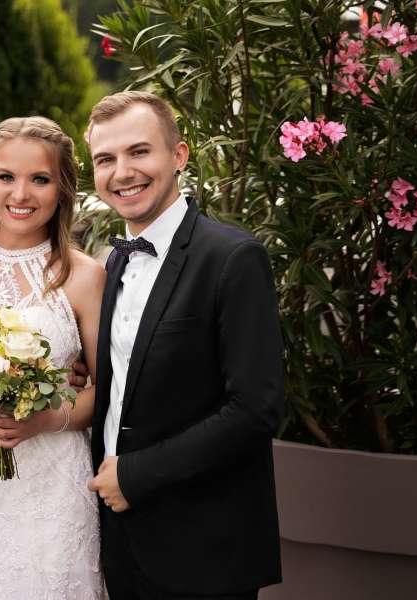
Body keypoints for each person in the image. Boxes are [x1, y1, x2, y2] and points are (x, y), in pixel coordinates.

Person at [85, 91, 284, 599]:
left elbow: (254, 409)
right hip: (122, 540)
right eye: (105, 159)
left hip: (203, 545)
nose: (122, 172)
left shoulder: (233, 258)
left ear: (179, 155)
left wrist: (136, 475)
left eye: (139, 151)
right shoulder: (115, 261)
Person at [0, 116, 107, 599]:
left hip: (51, 490)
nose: (20, 194)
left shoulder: (84, 276)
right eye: (7, 176)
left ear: (63, 189)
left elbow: (108, 391)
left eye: (40, 179)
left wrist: (47, 418)